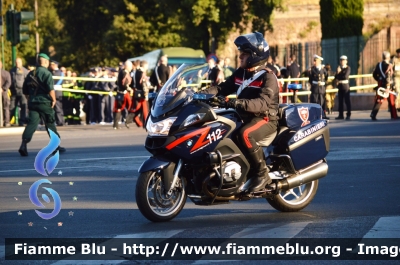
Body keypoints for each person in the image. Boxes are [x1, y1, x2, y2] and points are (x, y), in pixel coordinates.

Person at [201, 32, 279, 193]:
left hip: (265, 118)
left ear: (255, 55)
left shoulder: (268, 77)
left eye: (244, 53)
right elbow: (222, 88)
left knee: (245, 134)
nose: (240, 56)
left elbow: (262, 104)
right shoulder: (241, 73)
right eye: (240, 53)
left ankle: (262, 173)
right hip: (244, 116)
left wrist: (235, 102)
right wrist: (201, 94)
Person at [18, 53, 66, 156]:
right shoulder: (46, 73)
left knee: (31, 124)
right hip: (44, 102)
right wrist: (53, 100)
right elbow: (50, 89)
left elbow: (25, 90)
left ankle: (23, 144)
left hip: (33, 103)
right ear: (46, 62)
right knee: (50, 123)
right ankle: (55, 146)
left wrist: (31, 99)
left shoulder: (30, 73)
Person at [371, 51, 397, 120]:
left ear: (382, 57)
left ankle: (373, 114)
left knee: (379, 99)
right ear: (388, 57)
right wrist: (388, 86)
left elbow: (374, 74)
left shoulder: (378, 64)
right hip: (387, 85)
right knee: (391, 100)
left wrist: (379, 80)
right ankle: (394, 115)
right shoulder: (389, 65)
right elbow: (388, 76)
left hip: (380, 83)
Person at [9, 58, 29, 126]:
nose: (17, 64)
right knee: (12, 106)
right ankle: (8, 121)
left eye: (19, 62)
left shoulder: (25, 71)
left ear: (21, 63)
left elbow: (27, 81)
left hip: (22, 91)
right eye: (16, 62)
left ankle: (22, 121)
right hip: (14, 91)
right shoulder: (12, 70)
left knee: (23, 106)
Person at [113, 60, 132, 129]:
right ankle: (127, 120)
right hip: (124, 93)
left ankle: (116, 124)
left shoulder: (121, 72)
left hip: (120, 92)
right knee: (129, 107)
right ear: (127, 66)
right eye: (130, 67)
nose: (131, 68)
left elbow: (117, 82)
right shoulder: (125, 73)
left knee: (119, 108)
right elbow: (124, 83)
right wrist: (129, 88)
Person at [309, 54, 328, 119]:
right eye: (314, 61)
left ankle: (323, 115)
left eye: (315, 61)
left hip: (322, 88)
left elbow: (326, 78)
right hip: (315, 88)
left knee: (322, 102)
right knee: (314, 102)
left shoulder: (323, 69)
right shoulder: (312, 69)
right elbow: (310, 79)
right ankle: (314, 116)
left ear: (319, 61)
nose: (314, 62)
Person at [334, 55, 351, 120]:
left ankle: (348, 114)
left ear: (346, 61)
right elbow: (335, 77)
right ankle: (340, 115)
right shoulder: (339, 68)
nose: (342, 62)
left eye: (343, 60)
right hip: (340, 86)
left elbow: (345, 76)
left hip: (345, 86)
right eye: (341, 60)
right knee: (340, 101)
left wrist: (339, 74)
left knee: (347, 101)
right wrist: (338, 73)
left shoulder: (348, 68)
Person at [49, 61, 65, 126]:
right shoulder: (53, 72)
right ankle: (58, 121)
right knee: (56, 107)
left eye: (52, 65)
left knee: (58, 107)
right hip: (54, 92)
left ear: (55, 65)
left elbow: (59, 81)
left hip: (57, 92)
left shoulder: (59, 73)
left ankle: (60, 121)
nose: (50, 66)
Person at [1, 61, 12, 127]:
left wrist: (3, 89)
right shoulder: (6, 73)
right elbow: (9, 82)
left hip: (4, 92)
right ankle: (4, 122)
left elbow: (8, 82)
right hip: (4, 91)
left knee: (6, 107)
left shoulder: (6, 73)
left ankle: (6, 121)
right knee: (5, 107)